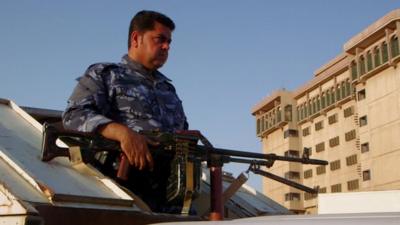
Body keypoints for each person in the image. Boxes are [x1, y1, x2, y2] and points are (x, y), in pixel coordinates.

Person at [62, 10, 188, 212]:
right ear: (136, 38)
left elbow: (184, 134)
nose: (166, 47)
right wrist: (122, 133)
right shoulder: (106, 75)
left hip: (170, 197)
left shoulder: (167, 89)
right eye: (160, 39)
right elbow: (74, 115)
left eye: (169, 42)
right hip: (122, 193)